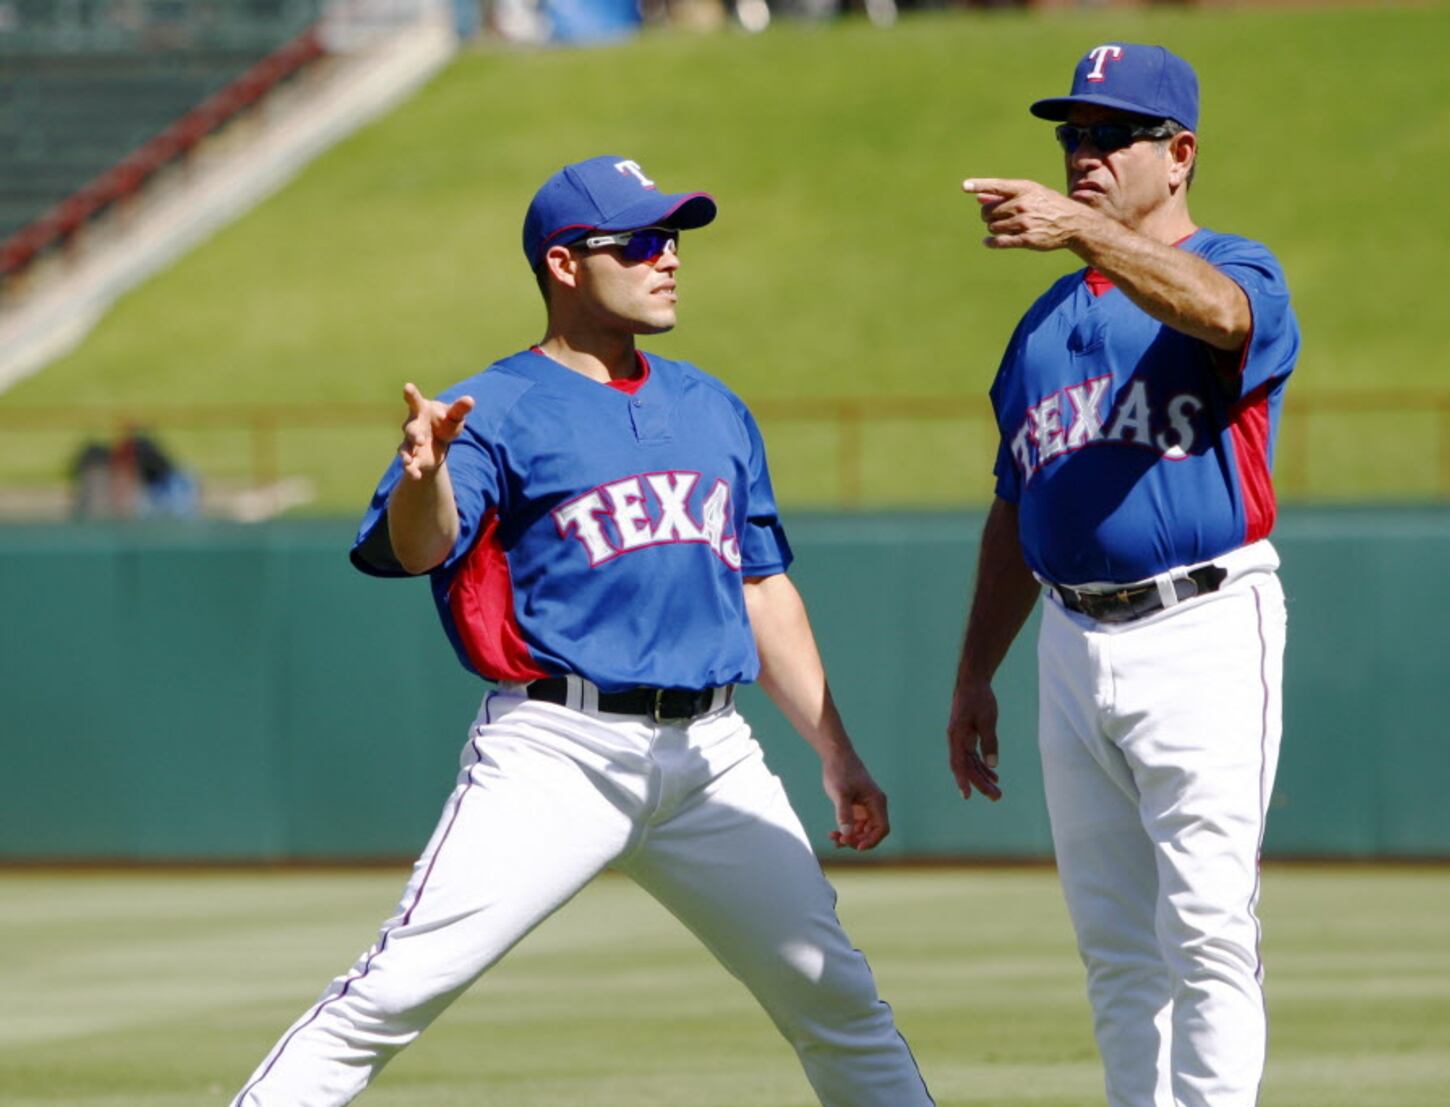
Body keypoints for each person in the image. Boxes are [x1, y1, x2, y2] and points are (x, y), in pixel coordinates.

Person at [231, 155, 933, 1107]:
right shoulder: (494, 409)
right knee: (397, 989)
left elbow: (763, 591)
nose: (669, 258)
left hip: (714, 752)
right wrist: (424, 474)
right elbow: (416, 548)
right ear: (565, 264)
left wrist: (835, 751)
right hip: (560, 747)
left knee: (837, 997)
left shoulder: (713, 406)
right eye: (640, 241)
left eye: (674, 238)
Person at [946, 43, 1300, 1107]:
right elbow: (1017, 503)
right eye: (1070, 138)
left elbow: (1224, 319)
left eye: (1110, 135)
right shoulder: (1042, 328)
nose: (1082, 155)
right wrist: (975, 672)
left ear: (1178, 154)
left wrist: (1088, 232)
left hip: (1201, 622)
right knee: (1113, 949)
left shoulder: (1237, 266)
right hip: (1068, 639)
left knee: (1202, 928)